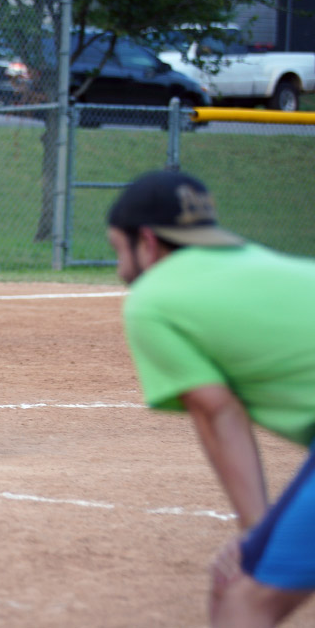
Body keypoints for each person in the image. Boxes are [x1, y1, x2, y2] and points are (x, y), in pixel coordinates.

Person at [106, 170, 315, 627]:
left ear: (148, 242)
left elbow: (217, 412)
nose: (122, 271)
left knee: (245, 598)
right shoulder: (258, 260)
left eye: (117, 250)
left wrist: (254, 534)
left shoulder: (153, 299)